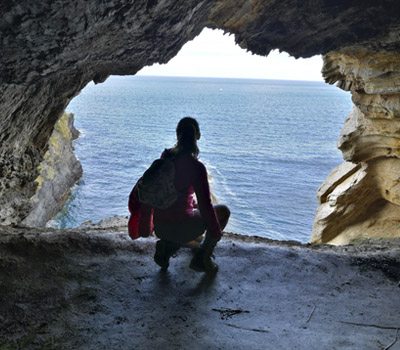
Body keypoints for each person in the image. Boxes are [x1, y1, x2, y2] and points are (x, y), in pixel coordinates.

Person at [130, 117, 230, 273]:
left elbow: (169, 194)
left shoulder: (166, 156)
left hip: (160, 228)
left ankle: (166, 248)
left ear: (177, 135)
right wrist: (216, 233)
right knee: (223, 211)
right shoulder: (196, 167)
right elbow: (205, 206)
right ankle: (202, 258)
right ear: (198, 136)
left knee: (196, 239)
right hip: (180, 228)